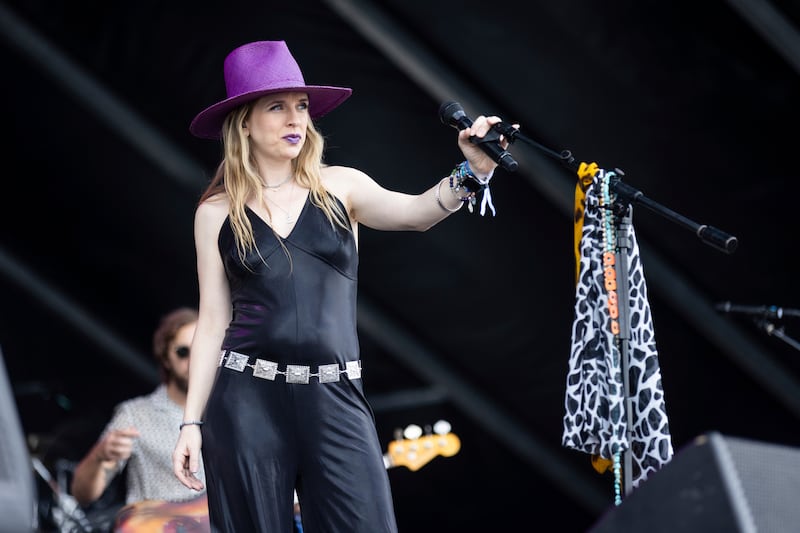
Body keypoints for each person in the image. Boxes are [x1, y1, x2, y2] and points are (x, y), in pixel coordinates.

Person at [171, 40, 510, 533]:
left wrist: (471, 172)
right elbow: (213, 323)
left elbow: (415, 214)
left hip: (334, 393)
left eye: (302, 106)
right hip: (247, 399)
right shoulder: (216, 213)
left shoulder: (340, 186)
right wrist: (191, 423)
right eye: (277, 107)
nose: (295, 119)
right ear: (244, 121)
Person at [71, 307, 206, 509]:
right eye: (183, 352)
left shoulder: (228, 411)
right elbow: (83, 495)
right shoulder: (135, 414)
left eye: (201, 350)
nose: (193, 360)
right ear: (166, 358)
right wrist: (99, 455)